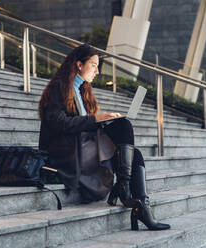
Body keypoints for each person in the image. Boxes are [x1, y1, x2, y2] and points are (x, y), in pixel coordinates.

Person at [38, 44, 170, 231]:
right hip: (66, 151)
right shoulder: (59, 87)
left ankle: (140, 205)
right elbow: (59, 123)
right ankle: (125, 189)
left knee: (134, 149)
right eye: (93, 65)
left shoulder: (83, 90)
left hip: (84, 145)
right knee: (123, 127)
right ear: (78, 65)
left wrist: (103, 119)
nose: (97, 71)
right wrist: (95, 119)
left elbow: (84, 122)